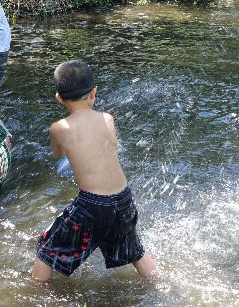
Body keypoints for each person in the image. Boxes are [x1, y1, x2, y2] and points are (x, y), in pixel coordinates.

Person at [32, 60, 157, 282]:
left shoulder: (58, 128)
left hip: (93, 204)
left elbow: (58, 154)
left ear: (59, 98)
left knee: (45, 252)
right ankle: (158, 283)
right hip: (123, 198)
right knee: (134, 251)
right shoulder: (107, 119)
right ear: (93, 92)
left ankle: (34, 295)